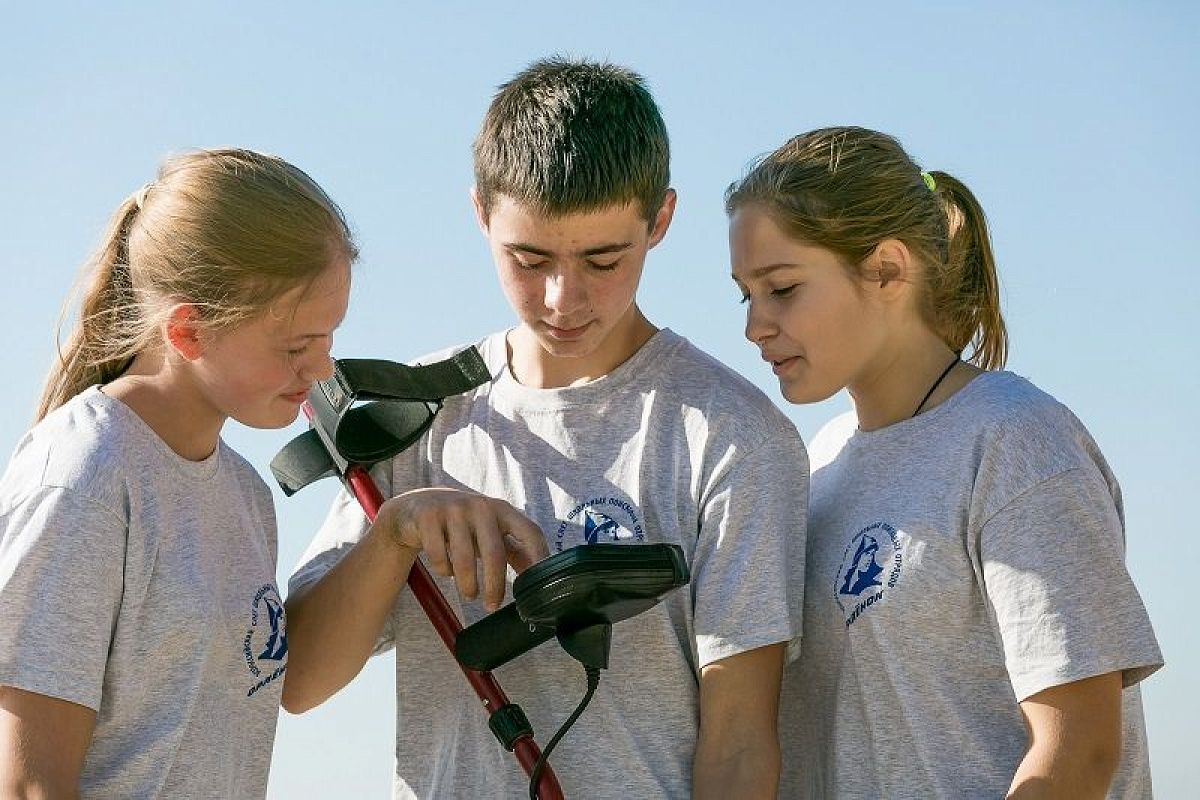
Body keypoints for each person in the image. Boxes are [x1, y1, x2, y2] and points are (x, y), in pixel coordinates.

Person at [283, 57, 808, 799]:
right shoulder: (418, 419)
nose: (563, 298)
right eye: (529, 259)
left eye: (603, 259)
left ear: (660, 219)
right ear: (480, 215)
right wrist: (395, 533)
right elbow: (296, 680)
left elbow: (741, 743)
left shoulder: (734, 437)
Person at [726, 126, 1163, 798]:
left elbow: (1082, 748)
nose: (755, 325)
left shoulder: (1015, 440)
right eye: (745, 295)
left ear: (887, 269)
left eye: (781, 289)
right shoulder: (815, 467)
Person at [0, 148, 357, 798]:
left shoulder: (247, 496)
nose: (323, 371)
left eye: (328, 338)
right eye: (295, 347)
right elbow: (28, 785)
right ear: (188, 331)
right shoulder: (84, 477)